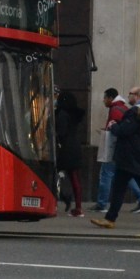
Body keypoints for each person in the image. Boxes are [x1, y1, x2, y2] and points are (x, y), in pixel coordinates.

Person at [91, 101, 140, 228]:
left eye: (131, 94)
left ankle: (110, 219)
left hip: (129, 156)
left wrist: (113, 126)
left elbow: (124, 130)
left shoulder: (135, 112)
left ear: (137, 97)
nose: (128, 96)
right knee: (120, 188)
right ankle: (110, 219)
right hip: (139, 155)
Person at [53, 89, 85, 217]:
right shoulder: (74, 115)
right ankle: (78, 207)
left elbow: (61, 132)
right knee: (75, 179)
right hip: (75, 148)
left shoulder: (62, 114)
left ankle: (61, 200)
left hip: (64, 149)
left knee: (54, 178)